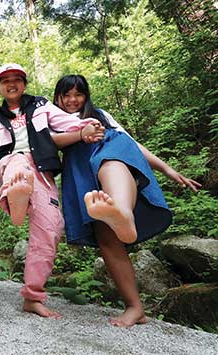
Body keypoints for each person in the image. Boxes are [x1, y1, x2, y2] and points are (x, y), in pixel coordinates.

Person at [51, 74, 200, 327]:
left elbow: (131, 142)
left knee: (109, 162)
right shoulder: (52, 120)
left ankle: (123, 214)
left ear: (86, 96)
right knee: (106, 239)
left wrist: (167, 169)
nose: (72, 100)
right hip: (80, 170)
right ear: (58, 97)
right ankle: (135, 308)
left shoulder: (100, 115)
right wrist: (80, 134)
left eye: (78, 94)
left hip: (110, 149)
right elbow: (46, 144)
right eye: (66, 95)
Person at [0, 63, 103, 319]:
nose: (12, 84)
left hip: (41, 170)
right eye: (5, 81)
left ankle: (33, 297)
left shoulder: (40, 105)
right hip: (11, 162)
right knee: (19, 168)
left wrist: (87, 127)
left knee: (52, 228)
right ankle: (15, 199)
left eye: (16, 79)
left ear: (24, 83)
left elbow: (66, 121)